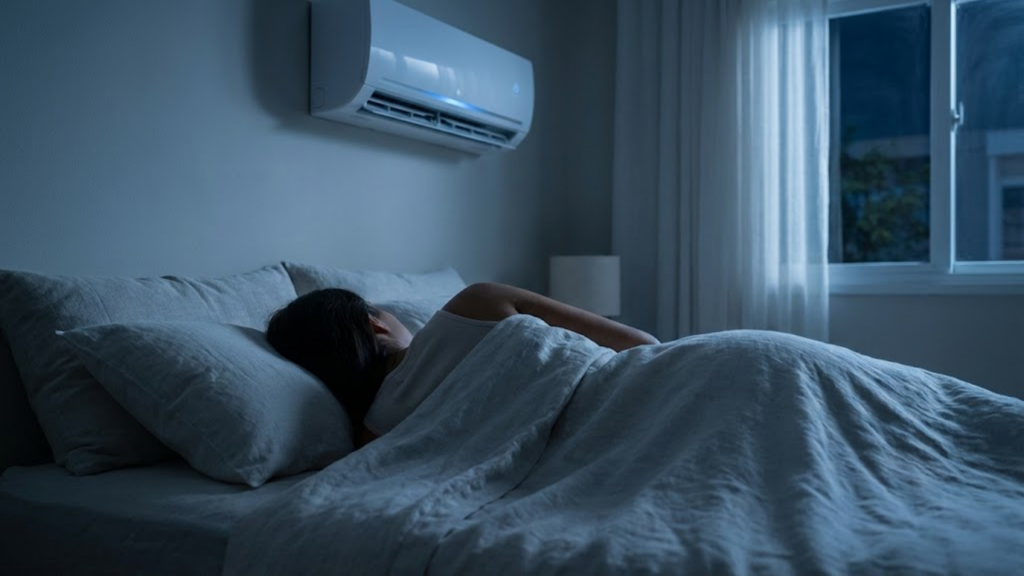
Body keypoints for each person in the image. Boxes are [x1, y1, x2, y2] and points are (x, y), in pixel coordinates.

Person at [266, 282, 659, 447]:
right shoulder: (476, 303)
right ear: (376, 323)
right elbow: (642, 345)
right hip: (647, 392)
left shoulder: (373, 435)